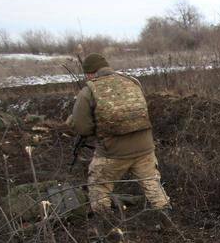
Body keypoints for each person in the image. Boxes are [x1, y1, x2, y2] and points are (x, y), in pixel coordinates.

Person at [70, 53, 172, 224]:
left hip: (112, 152)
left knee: (99, 188)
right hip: (145, 147)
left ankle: (105, 229)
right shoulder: (132, 82)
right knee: (153, 185)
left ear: (89, 73)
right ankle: (169, 223)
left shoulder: (88, 91)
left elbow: (82, 128)